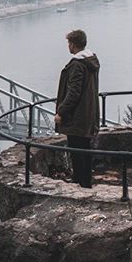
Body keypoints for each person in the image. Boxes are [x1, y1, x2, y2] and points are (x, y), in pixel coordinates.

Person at [54, 29, 100, 187]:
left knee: (76, 151)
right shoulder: (91, 61)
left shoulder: (77, 65)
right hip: (89, 113)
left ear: (73, 45)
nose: (68, 46)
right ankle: (86, 181)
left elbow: (74, 92)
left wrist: (61, 112)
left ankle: (79, 182)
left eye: (69, 43)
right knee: (85, 151)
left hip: (77, 116)